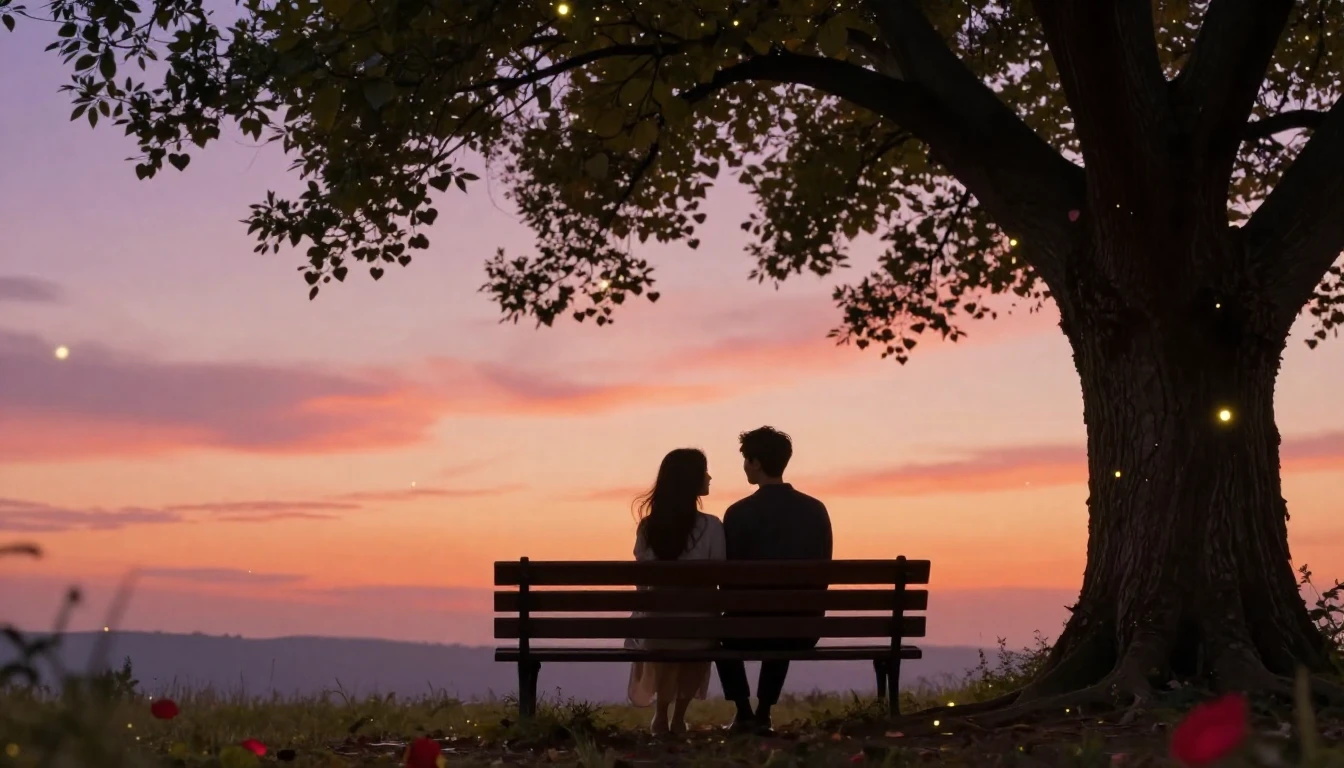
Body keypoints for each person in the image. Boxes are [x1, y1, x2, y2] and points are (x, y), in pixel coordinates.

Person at [715, 426, 833, 734]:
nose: (744, 467)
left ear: (754, 462)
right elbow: (823, 573)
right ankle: (764, 711)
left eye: (745, 460)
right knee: (786, 612)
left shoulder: (738, 513)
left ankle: (744, 712)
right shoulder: (815, 510)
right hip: (802, 629)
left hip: (746, 630)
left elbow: (728, 580)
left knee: (717, 627)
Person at [624, 448, 726, 735]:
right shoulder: (712, 527)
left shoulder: (648, 528)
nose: (709, 476)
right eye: (704, 471)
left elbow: (642, 586)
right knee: (696, 627)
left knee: (657, 625)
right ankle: (679, 717)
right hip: (698, 634)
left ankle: (660, 716)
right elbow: (719, 577)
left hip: (657, 633)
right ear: (691, 480)